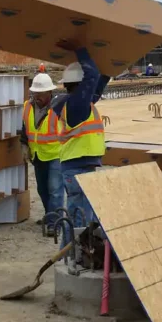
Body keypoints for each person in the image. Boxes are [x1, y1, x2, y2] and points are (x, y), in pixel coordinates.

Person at [54, 41, 109, 228]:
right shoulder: (76, 106)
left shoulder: (80, 104)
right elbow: (92, 76)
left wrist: (109, 69)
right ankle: (74, 256)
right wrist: (80, 50)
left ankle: (72, 253)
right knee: (81, 220)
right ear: (79, 84)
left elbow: (97, 86)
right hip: (77, 168)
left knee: (81, 216)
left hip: (78, 166)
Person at [20, 73, 65, 235]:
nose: (37, 97)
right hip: (37, 155)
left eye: (40, 94)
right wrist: (24, 145)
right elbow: (25, 128)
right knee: (42, 189)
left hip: (55, 154)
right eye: (35, 94)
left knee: (55, 190)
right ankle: (50, 215)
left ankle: (55, 223)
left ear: (49, 93)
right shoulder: (27, 106)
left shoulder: (58, 107)